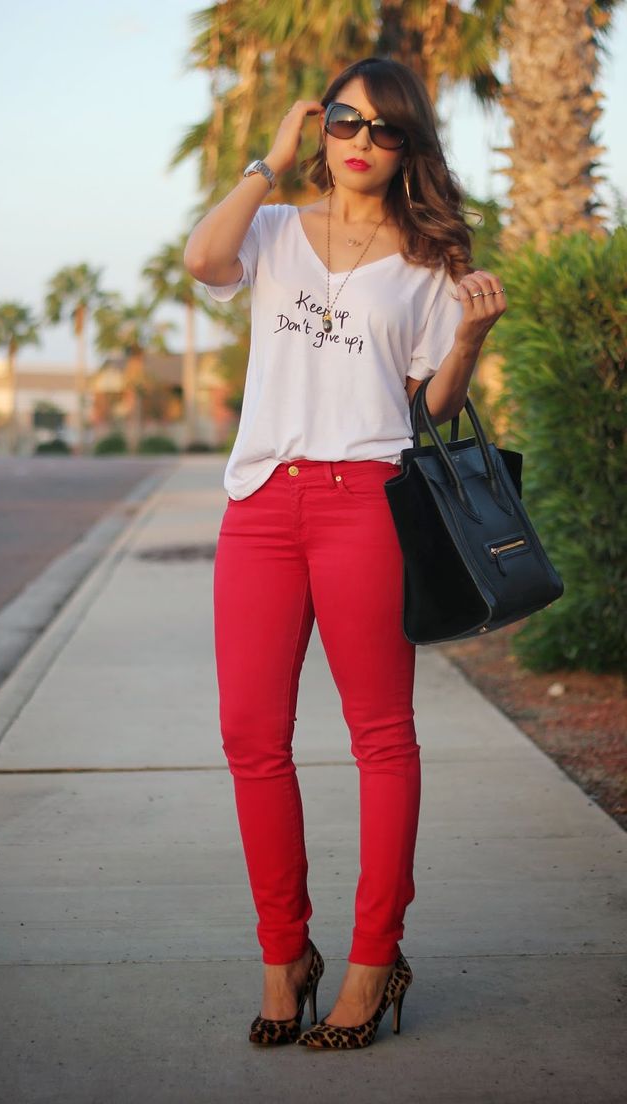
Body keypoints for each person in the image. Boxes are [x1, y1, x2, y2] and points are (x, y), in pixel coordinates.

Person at [183, 55, 506, 1051]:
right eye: (344, 121)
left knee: (380, 736)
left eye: (384, 129)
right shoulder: (274, 229)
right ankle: (286, 955)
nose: (360, 142)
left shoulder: (427, 261)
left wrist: (468, 341)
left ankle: (373, 958)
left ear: (409, 148)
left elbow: (435, 405)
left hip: (366, 500)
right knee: (249, 735)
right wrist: (264, 163)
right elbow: (202, 262)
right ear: (321, 130)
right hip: (262, 506)